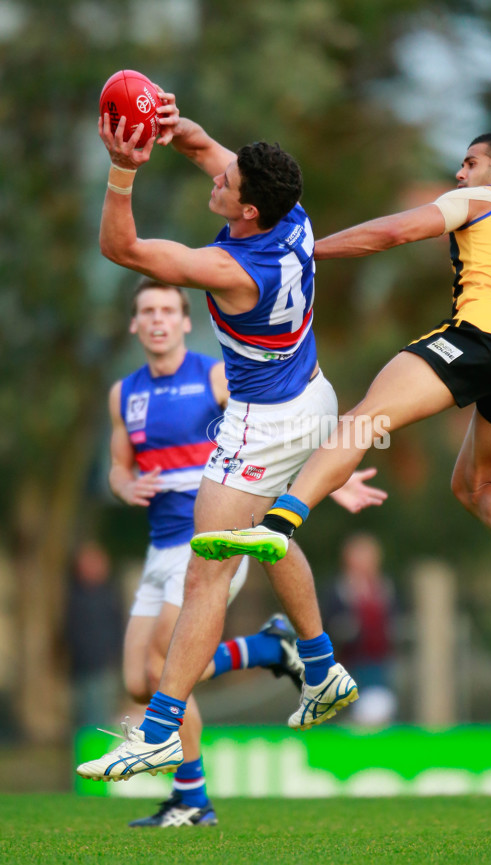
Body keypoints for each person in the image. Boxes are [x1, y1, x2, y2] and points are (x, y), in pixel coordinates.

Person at [77, 87, 387, 786]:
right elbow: (198, 144)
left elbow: (118, 246)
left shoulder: (231, 269)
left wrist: (121, 166)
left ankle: (158, 731)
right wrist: (162, 122)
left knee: (204, 572)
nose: (216, 176)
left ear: (248, 210)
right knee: (271, 537)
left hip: (263, 424)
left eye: (227, 182)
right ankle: (320, 664)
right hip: (313, 394)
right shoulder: (290, 212)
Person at [192, 133, 491, 641]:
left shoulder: (483, 199)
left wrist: (310, 251)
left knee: (362, 421)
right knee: (477, 485)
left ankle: (278, 524)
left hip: (481, 336)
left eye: (471, 162)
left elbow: (396, 232)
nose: (460, 174)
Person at [106, 276, 385, 826]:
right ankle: (267, 649)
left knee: (166, 659)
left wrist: (336, 477)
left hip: (212, 544)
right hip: (158, 547)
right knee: (139, 681)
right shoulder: (124, 393)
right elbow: (120, 465)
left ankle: (191, 798)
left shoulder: (213, 376)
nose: (158, 319)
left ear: (186, 322)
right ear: (135, 324)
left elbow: (281, 433)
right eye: (147, 311)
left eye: (168, 309)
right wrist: (124, 485)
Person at [322, 532, 400, 725]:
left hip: (378, 662)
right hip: (346, 663)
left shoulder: (385, 587)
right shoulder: (337, 589)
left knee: (378, 709)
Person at [65, 541, 123, 729]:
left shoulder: (109, 594)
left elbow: (117, 627)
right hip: (83, 668)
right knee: (87, 716)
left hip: (105, 665)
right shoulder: (75, 597)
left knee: (104, 716)